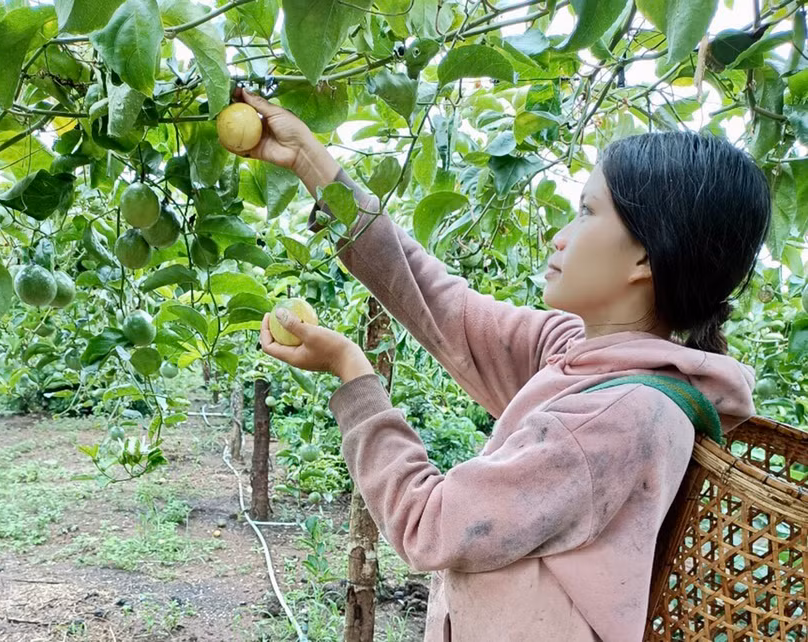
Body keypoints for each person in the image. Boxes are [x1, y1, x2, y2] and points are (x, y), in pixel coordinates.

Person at [231, 87, 772, 641]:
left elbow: (430, 523)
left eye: (587, 212)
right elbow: (439, 303)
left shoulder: (615, 415)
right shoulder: (585, 355)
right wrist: (308, 159)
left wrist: (354, 376)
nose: (560, 237)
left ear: (645, 257)